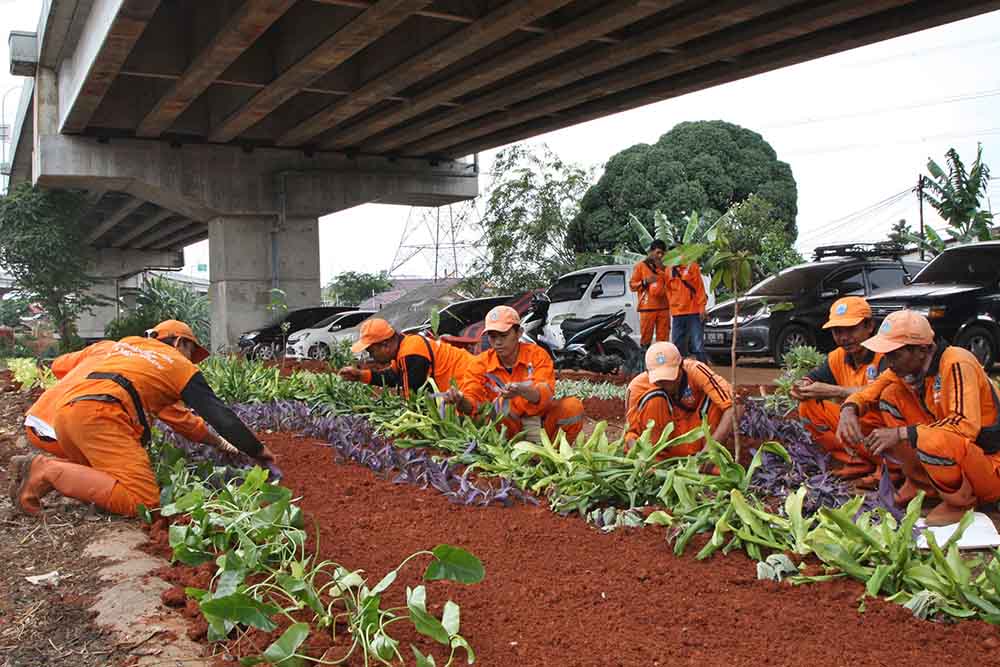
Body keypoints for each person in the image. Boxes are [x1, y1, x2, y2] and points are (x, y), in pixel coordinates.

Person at [9, 320, 275, 518]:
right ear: (180, 343)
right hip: (101, 416)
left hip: (66, 415)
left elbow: (59, 366)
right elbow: (220, 416)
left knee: (109, 473)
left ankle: (42, 473)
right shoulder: (178, 365)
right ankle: (45, 470)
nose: (192, 361)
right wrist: (257, 450)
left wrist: (218, 443)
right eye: (192, 353)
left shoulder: (122, 346)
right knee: (145, 503)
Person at [837, 310, 1000, 525]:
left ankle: (960, 502)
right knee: (890, 395)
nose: (888, 362)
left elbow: (964, 426)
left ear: (922, 350)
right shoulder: (904, 368)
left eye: (894, 354)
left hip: (988, 466)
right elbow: (869, 393)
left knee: (928, 438)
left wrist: (901, 433)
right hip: (954, 453)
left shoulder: (957, 362)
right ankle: (921, 486)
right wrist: (849, 410)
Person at [441, 306, 585, 443]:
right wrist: (460, 400)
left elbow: (545, 395)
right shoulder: (480, 364)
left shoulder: (537, 355)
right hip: (506, 429)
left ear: (519, 333)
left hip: (540, 421)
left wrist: (522, 390)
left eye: (503, 335)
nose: (498, 342)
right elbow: (472, 403)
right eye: (492, 336)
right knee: (500, 407)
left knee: (572, 407)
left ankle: (554, 454)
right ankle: (508, 452)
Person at [791, 297, 888, 482]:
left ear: (869, 326)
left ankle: (888, 468)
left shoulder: (886, 354)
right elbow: (811, 378)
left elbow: (884, 392)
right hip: (857, 426)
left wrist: (836, 391)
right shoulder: (837, 357)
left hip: (884, 429)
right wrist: (801, 387)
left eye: (851, 329)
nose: (844, 337)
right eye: (837, 331)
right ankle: (856, 461)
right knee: (808, 406)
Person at [624, 341, 735, 456]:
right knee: (655, 399)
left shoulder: (696, 370)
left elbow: (734, 405)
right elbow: (631, 433)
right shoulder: (637, 388)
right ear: (647, 372)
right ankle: (658, 458)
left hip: (699, 440)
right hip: (663, 448)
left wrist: (710, 449)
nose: (666, 384)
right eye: (660, 381)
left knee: (718, 400)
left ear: (681, 366)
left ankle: (708, 457)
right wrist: (641, 456)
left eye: (670, 377)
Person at [339, 318, 472, 397]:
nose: (371, 356)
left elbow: (412, 398)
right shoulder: (405, 347)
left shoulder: (410, 354)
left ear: (385, 345)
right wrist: (360, 375)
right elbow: (392, 376)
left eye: (371, 351)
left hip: (469, 384)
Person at [666, 252, 709, 362]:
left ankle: (702, 367)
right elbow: (668, 290)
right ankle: (679, 368)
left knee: (697, 344)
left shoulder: (692, 266)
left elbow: (699, 288)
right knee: (677, 343)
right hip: (677, 313)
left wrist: (702, 308)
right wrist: (673, 303)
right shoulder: (668, 270)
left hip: (693, 311)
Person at [629, 240, 670, 349]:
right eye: (658, 252)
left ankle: (662, 359)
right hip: (647, 308)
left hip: (664, 307)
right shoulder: (641, 266)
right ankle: (644, 358)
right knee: (646, 339)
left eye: (662, 253)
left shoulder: (667, 267)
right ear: (651, 252)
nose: (660, 256)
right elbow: (632, 286)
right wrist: (645, 282)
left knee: (663, 340)